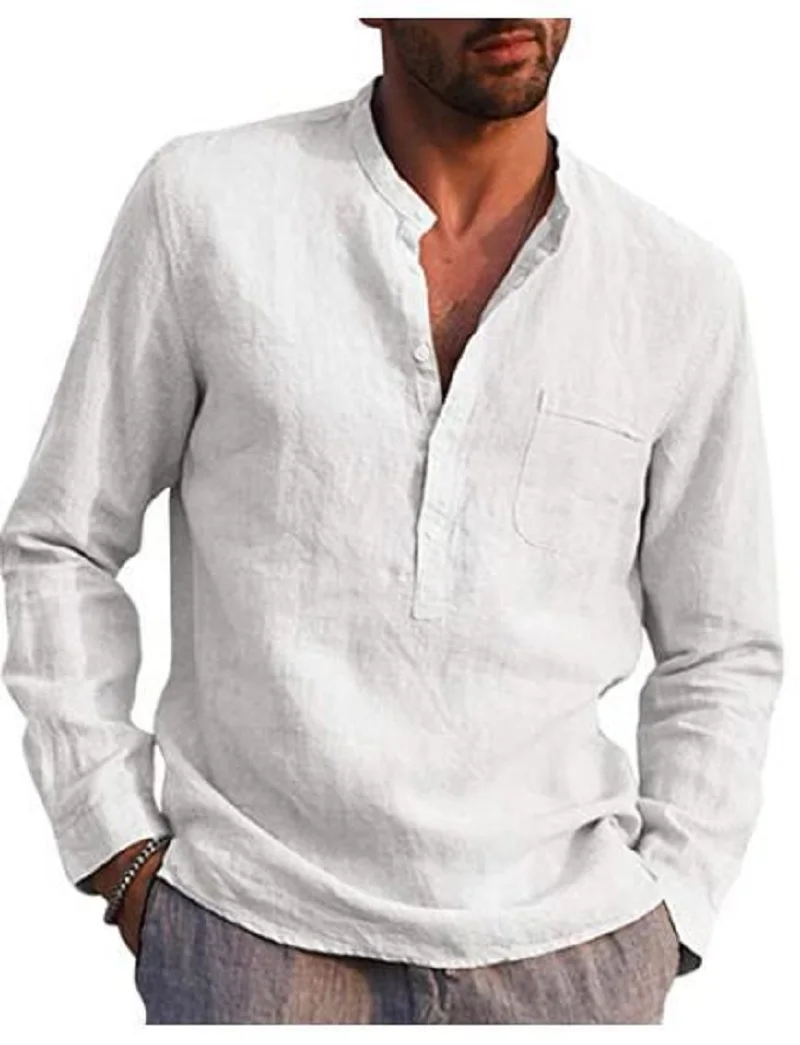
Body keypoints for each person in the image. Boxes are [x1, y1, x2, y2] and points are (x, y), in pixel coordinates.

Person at [0, 17, 783, 1025]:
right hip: (253, 937)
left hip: (572, 957)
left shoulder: (674, 285)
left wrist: (671, 902)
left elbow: (722, 641)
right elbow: (62, 541)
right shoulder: (209, 207)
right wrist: (115, 842)